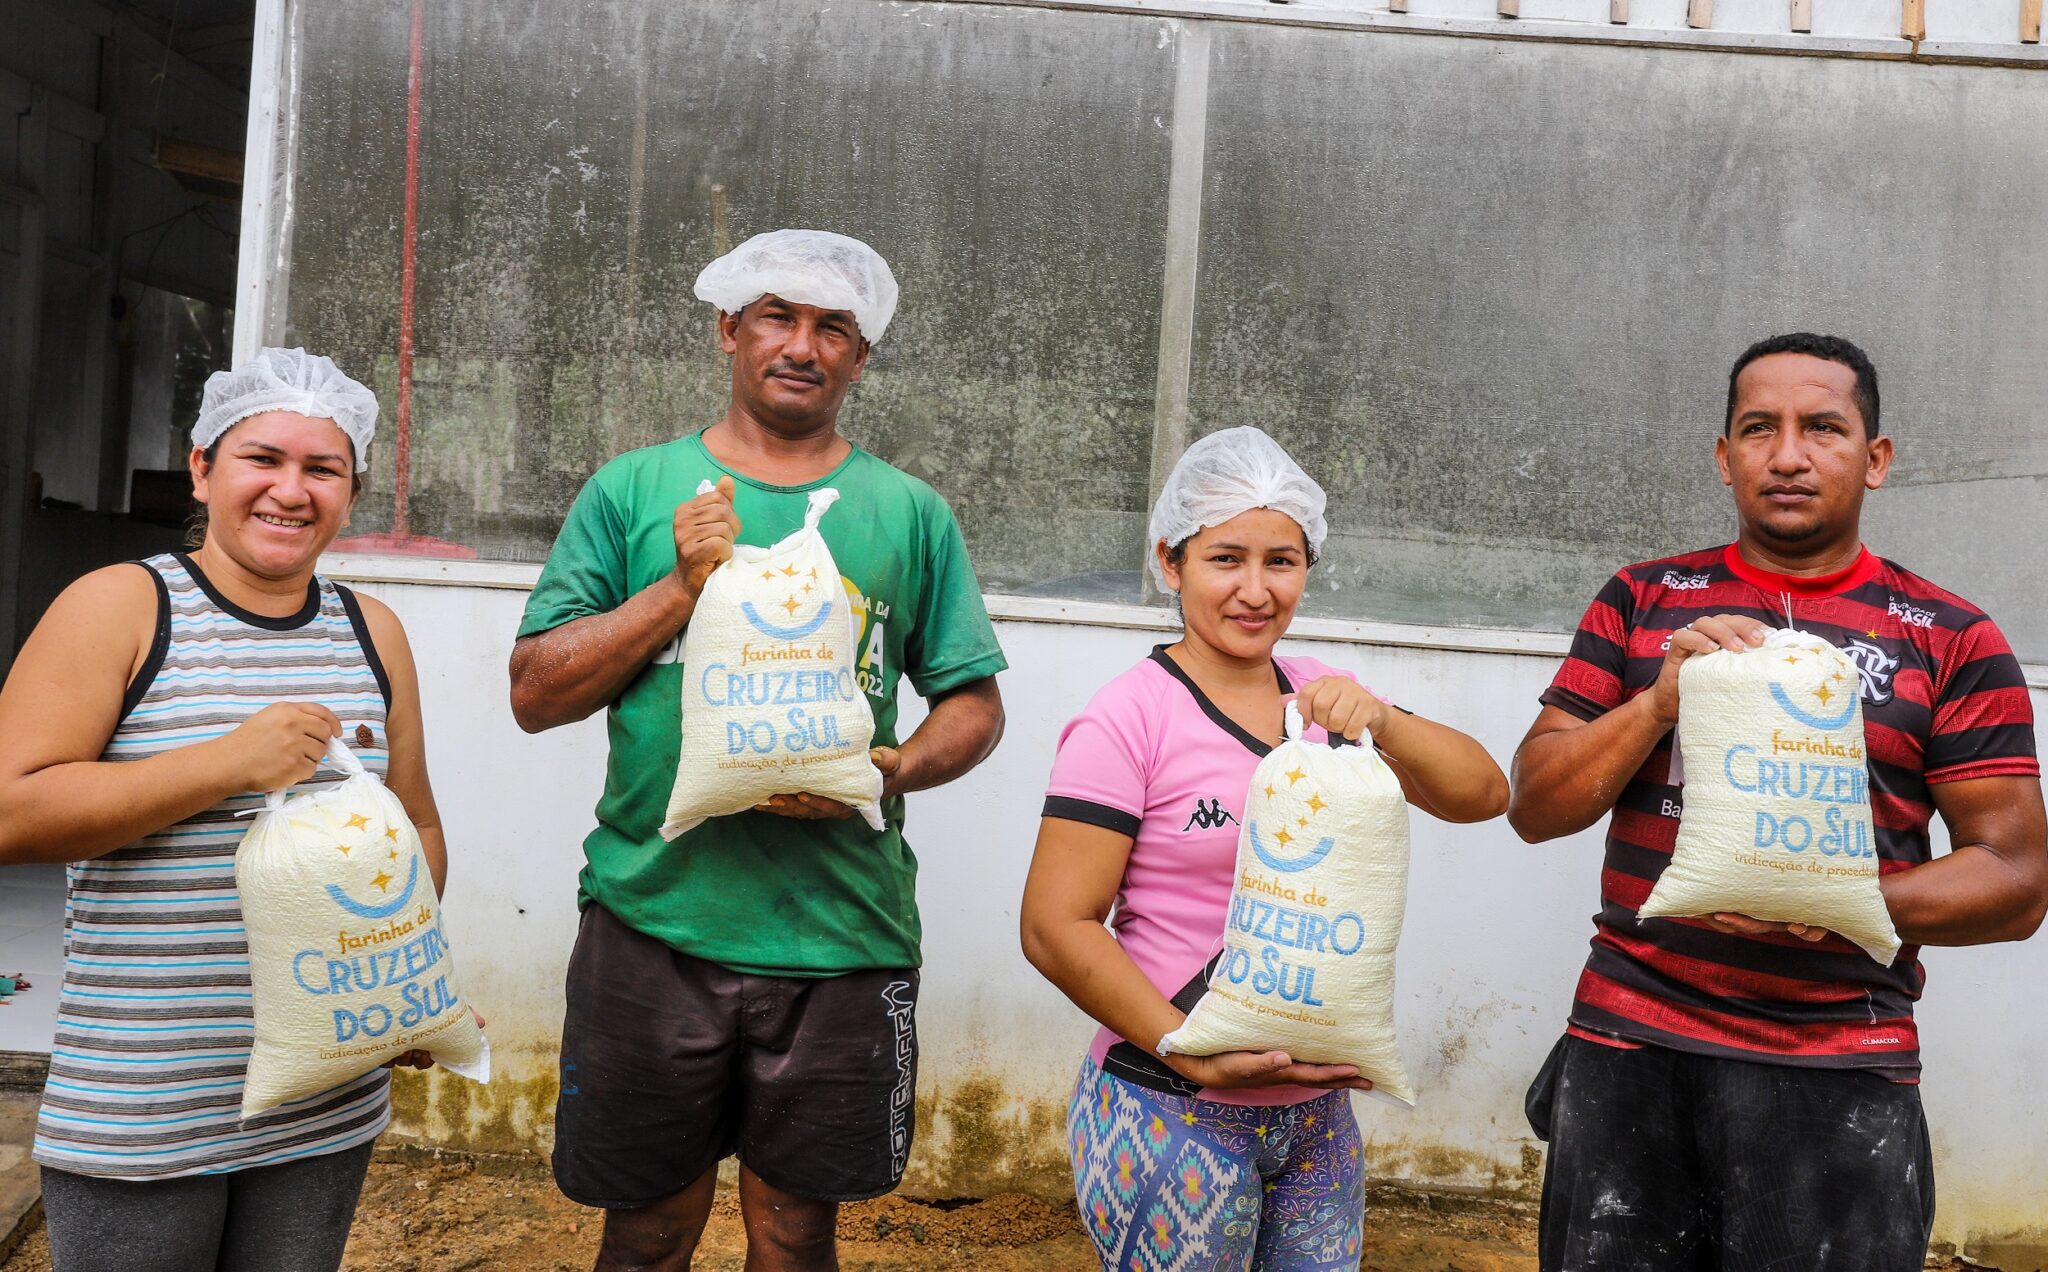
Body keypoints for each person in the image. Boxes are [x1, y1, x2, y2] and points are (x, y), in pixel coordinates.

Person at [509, 229, 1008, 1272]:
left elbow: (971, 704)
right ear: (729, 331)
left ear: (859, 358)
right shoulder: (637, 491)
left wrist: (895, 769)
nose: (802, 345)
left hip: (842, 931)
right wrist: (683, 586)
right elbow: (534, 693)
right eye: (778, 317)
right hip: (654, 922)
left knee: (794, 1232)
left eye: (833, 329)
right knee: (645, 1231)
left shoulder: (908, 513)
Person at [1507, 333, 2046, 1271]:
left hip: (1841, 1067)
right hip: (1630, 1046)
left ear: (1875, 459)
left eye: (1823, 428)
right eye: (1759, 428)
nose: (1788, 455)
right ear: (1725, 457)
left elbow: (2018, 877)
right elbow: (1536, 805)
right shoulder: (1642, 601)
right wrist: (1659, 701)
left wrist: (1839, 905)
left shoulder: (1953, 639)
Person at [0, 348, 458, 1271]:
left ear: (351, 492)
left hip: (323, 1098)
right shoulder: (121, 606)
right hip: (147, 1102)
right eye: (264, 459)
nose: (292, 490)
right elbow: (12, 812)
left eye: (323, 469)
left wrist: (399, 978)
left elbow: (418, 825)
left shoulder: (372, 630)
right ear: (203, 467)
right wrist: (226, 764)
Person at [1019, 427, 1508, 1272]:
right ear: (1171, 563)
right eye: (1226, 559)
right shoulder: (1128, 718)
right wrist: (1188, 1050)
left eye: (1281, 561)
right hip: (1168, 1111)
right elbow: (1055, 925)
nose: (1255, 590)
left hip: (1317, 1122)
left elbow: (1484, 795)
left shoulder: (1323, 698)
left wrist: (1381, 720)